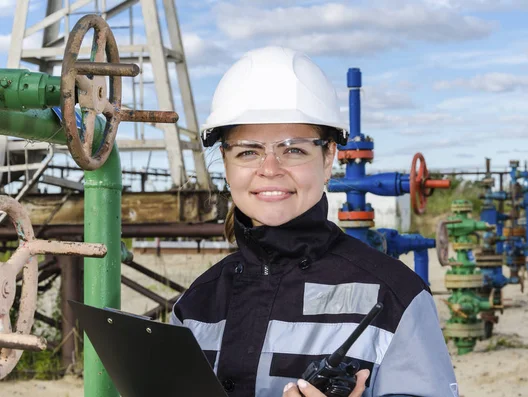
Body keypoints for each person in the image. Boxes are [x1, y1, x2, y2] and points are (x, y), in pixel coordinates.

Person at [171, 46, 458, 397]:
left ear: (328, 159)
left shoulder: (397, 298)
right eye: (248, 151)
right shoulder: (196, 304)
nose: (270, 169)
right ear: (226, 165)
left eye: (294, 149)